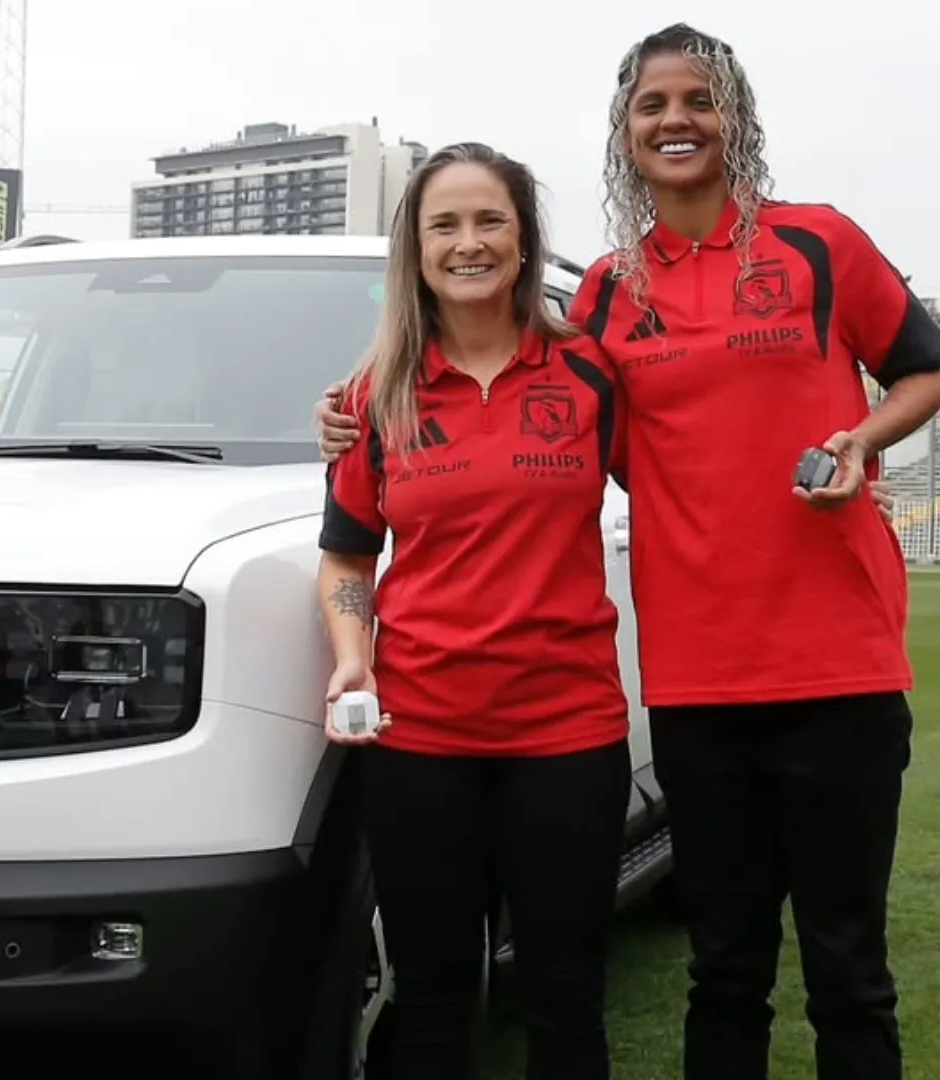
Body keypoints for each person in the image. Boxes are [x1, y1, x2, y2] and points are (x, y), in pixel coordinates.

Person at [314, 24, 940, 1080]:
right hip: (697, 686)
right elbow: (483, 370)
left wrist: (859, 439)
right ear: (623, 136)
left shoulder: (819, 244)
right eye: (651, 106)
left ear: (735, 118)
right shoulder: (612, 296)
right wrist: (354, 403)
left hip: (840, 666)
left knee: (849, 970)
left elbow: (929, 370)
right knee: (726, 968)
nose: (676, 120)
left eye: (698, 100)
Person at [317, 140, 633, 1080]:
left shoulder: (590, 374)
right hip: (421, 739)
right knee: (434, 994)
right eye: (443, 225)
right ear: (414, 251)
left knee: (566, 991)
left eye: (490, 219)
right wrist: (351, 654)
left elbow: (685, 474)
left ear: (525, 240)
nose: (468, 243)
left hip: (569, 733)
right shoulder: (376, 398)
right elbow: (346, 556)